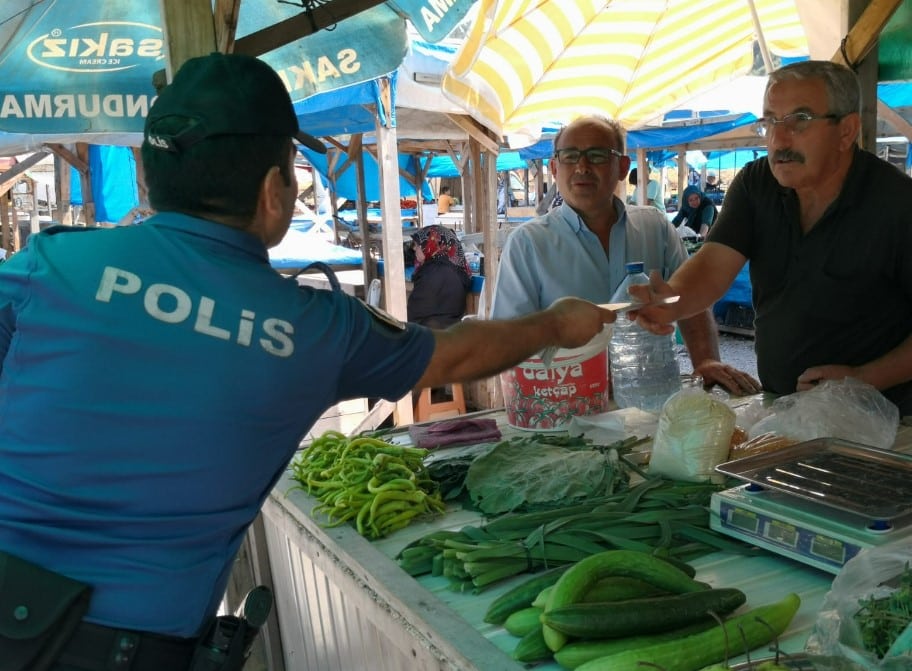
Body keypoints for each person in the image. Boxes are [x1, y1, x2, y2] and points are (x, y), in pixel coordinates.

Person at [0, 53, 615, 671]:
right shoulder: (314, 328)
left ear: (145, 168)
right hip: (131, 650)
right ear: (274, 191)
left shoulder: (46, 264)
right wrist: (557, 323)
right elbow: (459, 353)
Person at [631, 60, 912, 414]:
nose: (778, 139)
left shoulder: (898, 204)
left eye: (801, 120)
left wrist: (863, 377)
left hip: (887, 421)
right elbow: (712, 265)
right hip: (783, 408)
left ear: (847, 131)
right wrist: (670, 301)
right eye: (770, 122)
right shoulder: (756, 184)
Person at [491, 115, 761, 395]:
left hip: (651, 400)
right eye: (570, 156)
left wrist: (705, 360)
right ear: (554, 167)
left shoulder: (654, 227)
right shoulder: (528, 243)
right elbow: (507, 342)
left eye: (596, 156)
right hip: (569, 406)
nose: (582, 167)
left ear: (622, 167)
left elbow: (691, 304)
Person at [407, 225, 472, 329]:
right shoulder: (452, 268)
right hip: (447, 334)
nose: (414, 248)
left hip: (432, 335)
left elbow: (415, 312)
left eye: (418, 244)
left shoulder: (434, 273)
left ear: (430, 245)